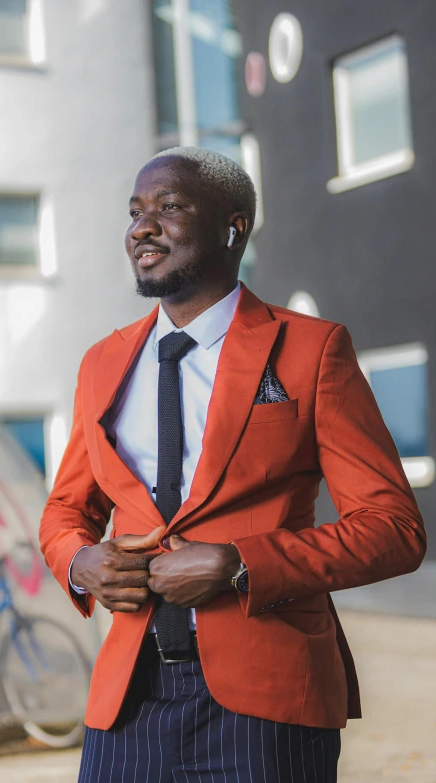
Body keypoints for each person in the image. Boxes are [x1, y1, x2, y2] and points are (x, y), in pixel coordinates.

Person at [39, 147, 426, 782]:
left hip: (268, 702)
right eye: (135, 211)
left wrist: (243, 563)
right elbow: (67, 510)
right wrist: (80, 562)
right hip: (129, 698)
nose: (142, 226)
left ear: (233, 225)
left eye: (168, 207)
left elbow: (394, 529)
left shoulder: (312, 349)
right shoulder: (101, 363)